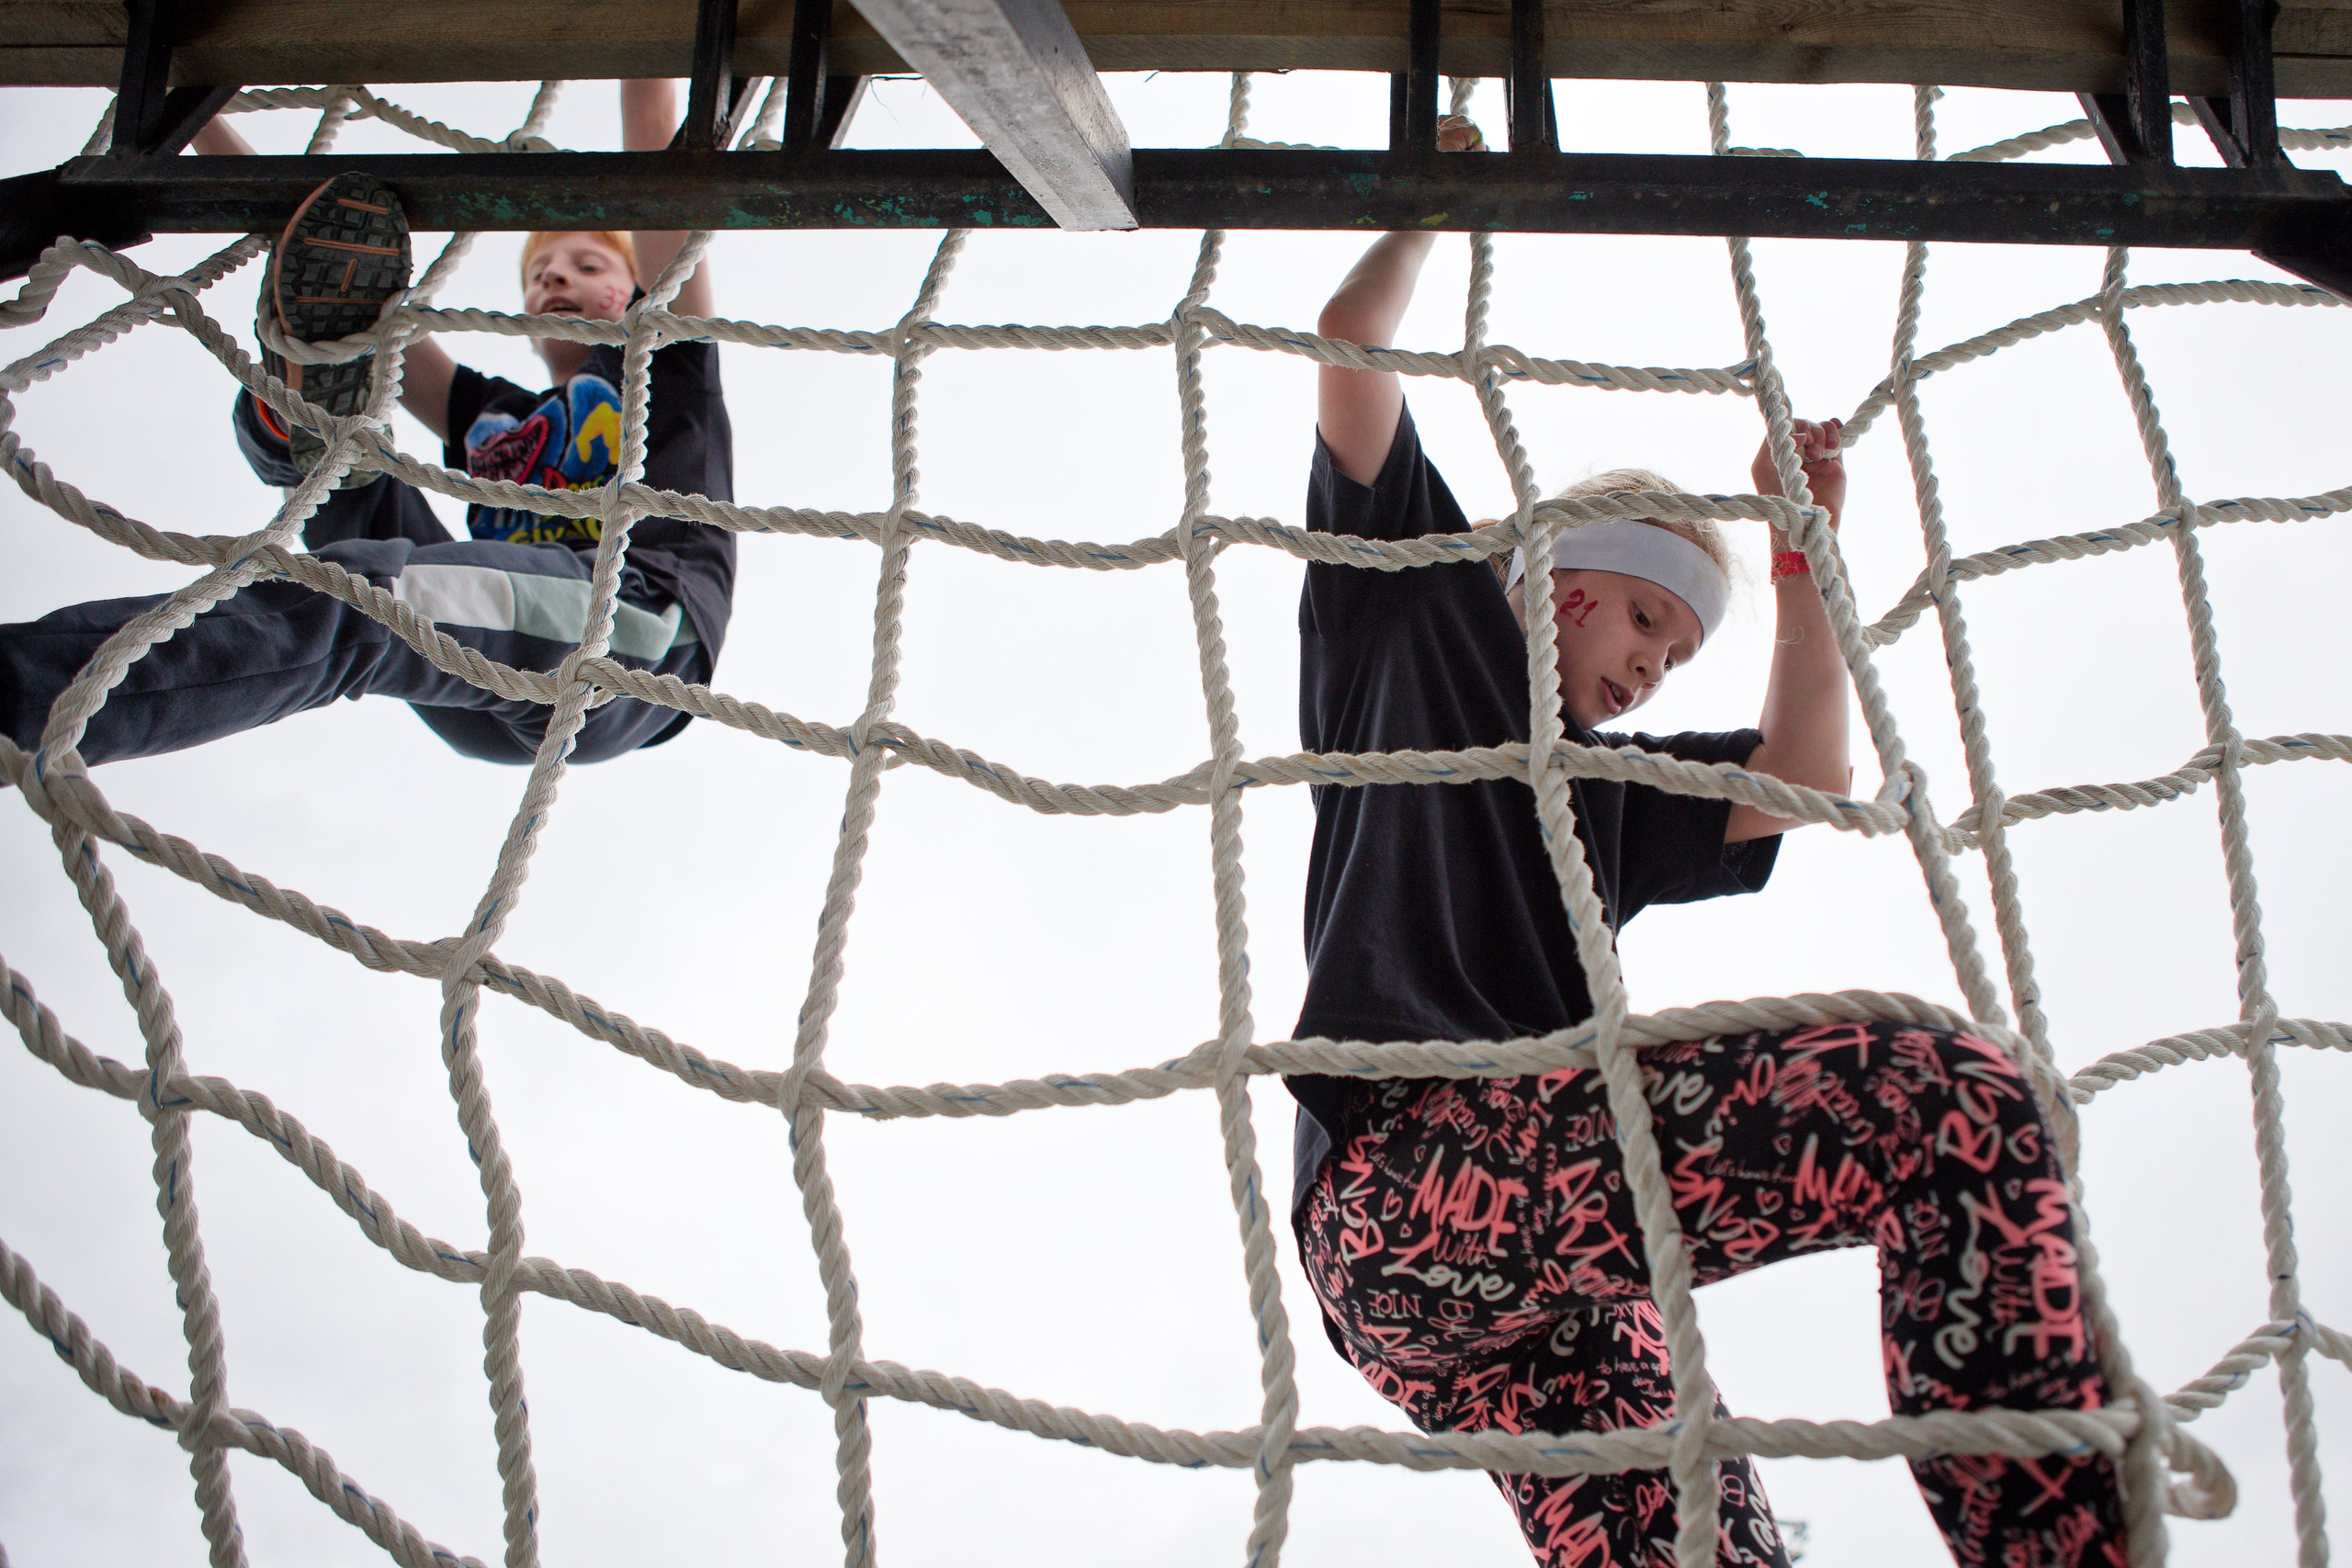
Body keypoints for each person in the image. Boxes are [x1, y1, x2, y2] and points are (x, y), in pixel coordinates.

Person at [1287, 117, 2124, 1568]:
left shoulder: (1602, 789)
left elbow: (1809, 771)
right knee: (1948, 1100)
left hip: (1526, 1305)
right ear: (1562, 575)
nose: (1655, 669)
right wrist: (1429, 200)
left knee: (1709, 1542)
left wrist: (1806, 562)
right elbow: (1351, 337)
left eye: (1679, 656)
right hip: (1412, 1187)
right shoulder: (1409, 606)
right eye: (1650, 623)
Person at [1, 80, 731, 773]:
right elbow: (331, 264)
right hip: (485, 673)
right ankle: (292, 420)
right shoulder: (496, 415)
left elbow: (652, 123)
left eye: (586, 262)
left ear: (635, 285)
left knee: (358, 596)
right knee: (349, 442)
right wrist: (192, 105)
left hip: (632, 635)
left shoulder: (665, 366)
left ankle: (21, 688)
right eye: (539, 272)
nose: (554, 279)